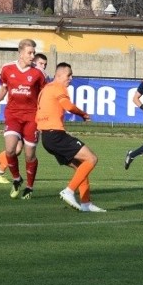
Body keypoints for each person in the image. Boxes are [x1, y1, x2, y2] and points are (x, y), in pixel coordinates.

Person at [36, 62, 105, 212]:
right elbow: (67, 105)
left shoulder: (45, 89)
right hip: (55, 135)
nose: (71, 78)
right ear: (59, 75)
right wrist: (83, 114)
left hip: (47, 139)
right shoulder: (58, 87)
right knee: (92, 158)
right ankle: (69, 190)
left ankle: (86, 204)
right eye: (69, 75)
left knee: (82, 167)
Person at [0, 39, 46, 200]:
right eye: (30, 52)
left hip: (31, 117)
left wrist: (43, 117)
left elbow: (43, 96)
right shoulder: (7, 69)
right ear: (20, 53)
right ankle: (17, 178)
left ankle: (30, 187)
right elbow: (4, 88)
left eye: (34, 52)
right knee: (11, 149)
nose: (32, 56)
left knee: (29, 156)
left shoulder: (38, 74)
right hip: (12, 115)